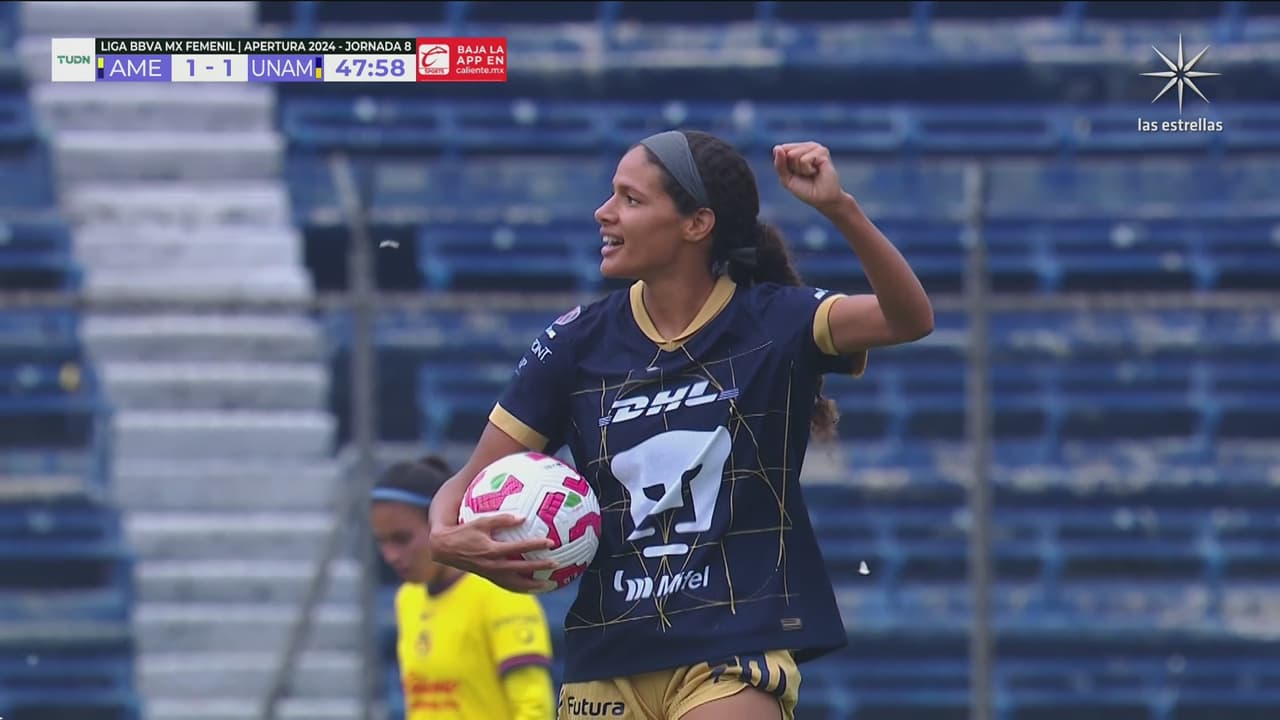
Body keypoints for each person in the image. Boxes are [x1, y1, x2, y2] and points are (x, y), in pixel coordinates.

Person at [426, 130, 935, 719]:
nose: (604, 212)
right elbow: (467, 483)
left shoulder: (776, 320)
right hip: (608, 655)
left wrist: (839, 208)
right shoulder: (574, 342)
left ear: (696, 224)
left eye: (631, 199)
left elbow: (909, 318)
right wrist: (444, 536)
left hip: (733, 643)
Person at [370, 455, 556, 719]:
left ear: (443, 525)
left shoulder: (501, 594)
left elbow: (534, 709)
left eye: (402, 539)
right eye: (382, 541)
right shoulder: (407, 598)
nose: (390, 556)